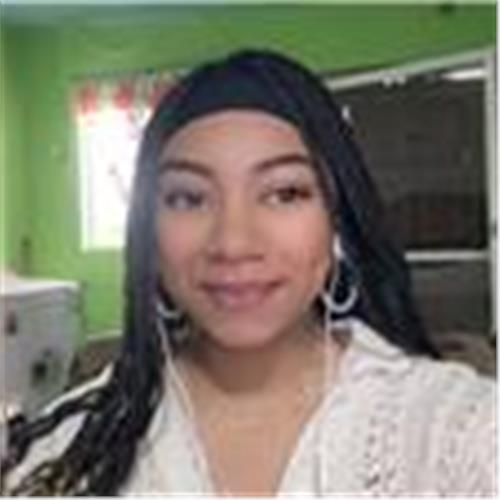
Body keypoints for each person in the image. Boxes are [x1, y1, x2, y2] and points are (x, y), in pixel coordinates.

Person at [1, 49, 495, 496]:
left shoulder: (456, 432)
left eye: (284, 193)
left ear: (337, 216)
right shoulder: (70, 447)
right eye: (188, 198)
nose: (233, 244)